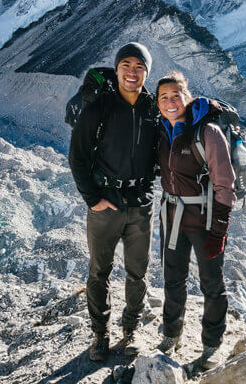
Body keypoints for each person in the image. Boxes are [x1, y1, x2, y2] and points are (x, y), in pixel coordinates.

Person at [68, 42, 159, 363]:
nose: (132, 72)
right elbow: (77, 155)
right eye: (126, 65)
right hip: (105, 203)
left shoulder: (154, 108)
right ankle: (100, 334)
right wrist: (93, 199)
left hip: (140, 206)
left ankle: (131, 330)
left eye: (139, 67)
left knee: (138, 273)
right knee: (99, 273)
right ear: (117, 68)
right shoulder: (100, 107)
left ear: (147, 72)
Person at [154, 71, 236, 370]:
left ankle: (211, 343)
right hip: (172, 216)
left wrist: (219, 230)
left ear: (186, 98)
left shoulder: (208, 133)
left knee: (211, 283)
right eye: (163, 97)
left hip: (204, 220)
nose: (170, 101)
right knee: (172, 280)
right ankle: (171, 333)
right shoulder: (162, 131)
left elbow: (225, 184)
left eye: (176, 95)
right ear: (158, 103)